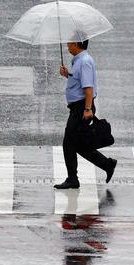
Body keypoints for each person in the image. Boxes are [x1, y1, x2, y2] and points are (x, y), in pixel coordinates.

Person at [54, 38, 117, 189]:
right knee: (78, 144)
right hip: (79, 107)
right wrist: (67, 74)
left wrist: (87, 109)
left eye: (69, 43)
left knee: (69, 143)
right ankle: (107, 164)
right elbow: (79, 81)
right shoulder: (79, 61)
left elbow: (88, 88)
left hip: (81, 108)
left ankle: (72, 179)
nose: (67, 45)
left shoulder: (84, 62)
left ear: (77, 44)